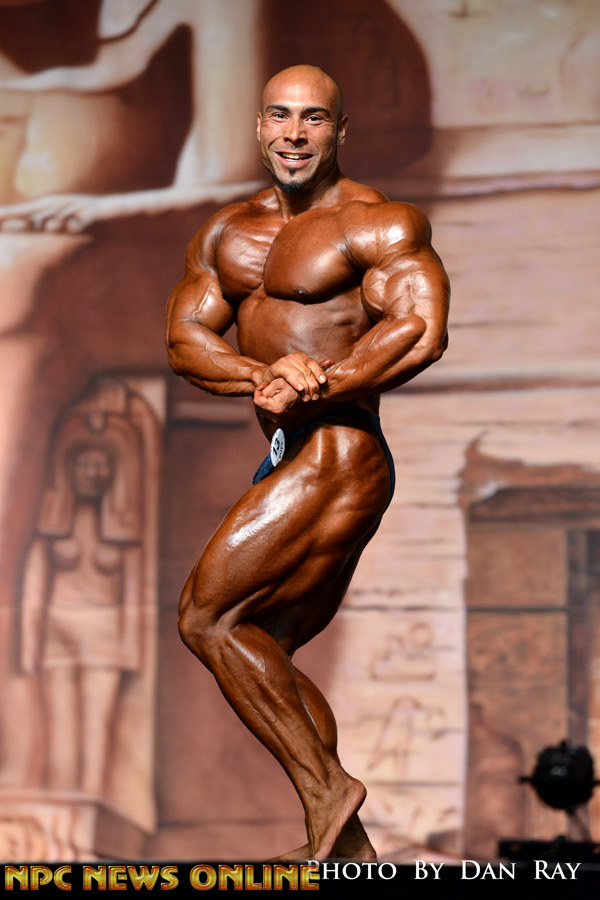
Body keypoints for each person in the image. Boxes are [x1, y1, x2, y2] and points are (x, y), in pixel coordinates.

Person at [165, 64, 450, 861]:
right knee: (261, 647)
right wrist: (261, 374)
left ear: (340, 131)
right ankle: (348, 848)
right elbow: (186, 339)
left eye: (314, 119)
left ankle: (330, 792)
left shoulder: (375, 222)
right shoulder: (225, 234)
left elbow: (420, 328)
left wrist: (322, 379)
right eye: (281, 116)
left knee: (208, 617)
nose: (295, 134)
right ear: (260, 127)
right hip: (291, 455)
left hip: (341, 448)